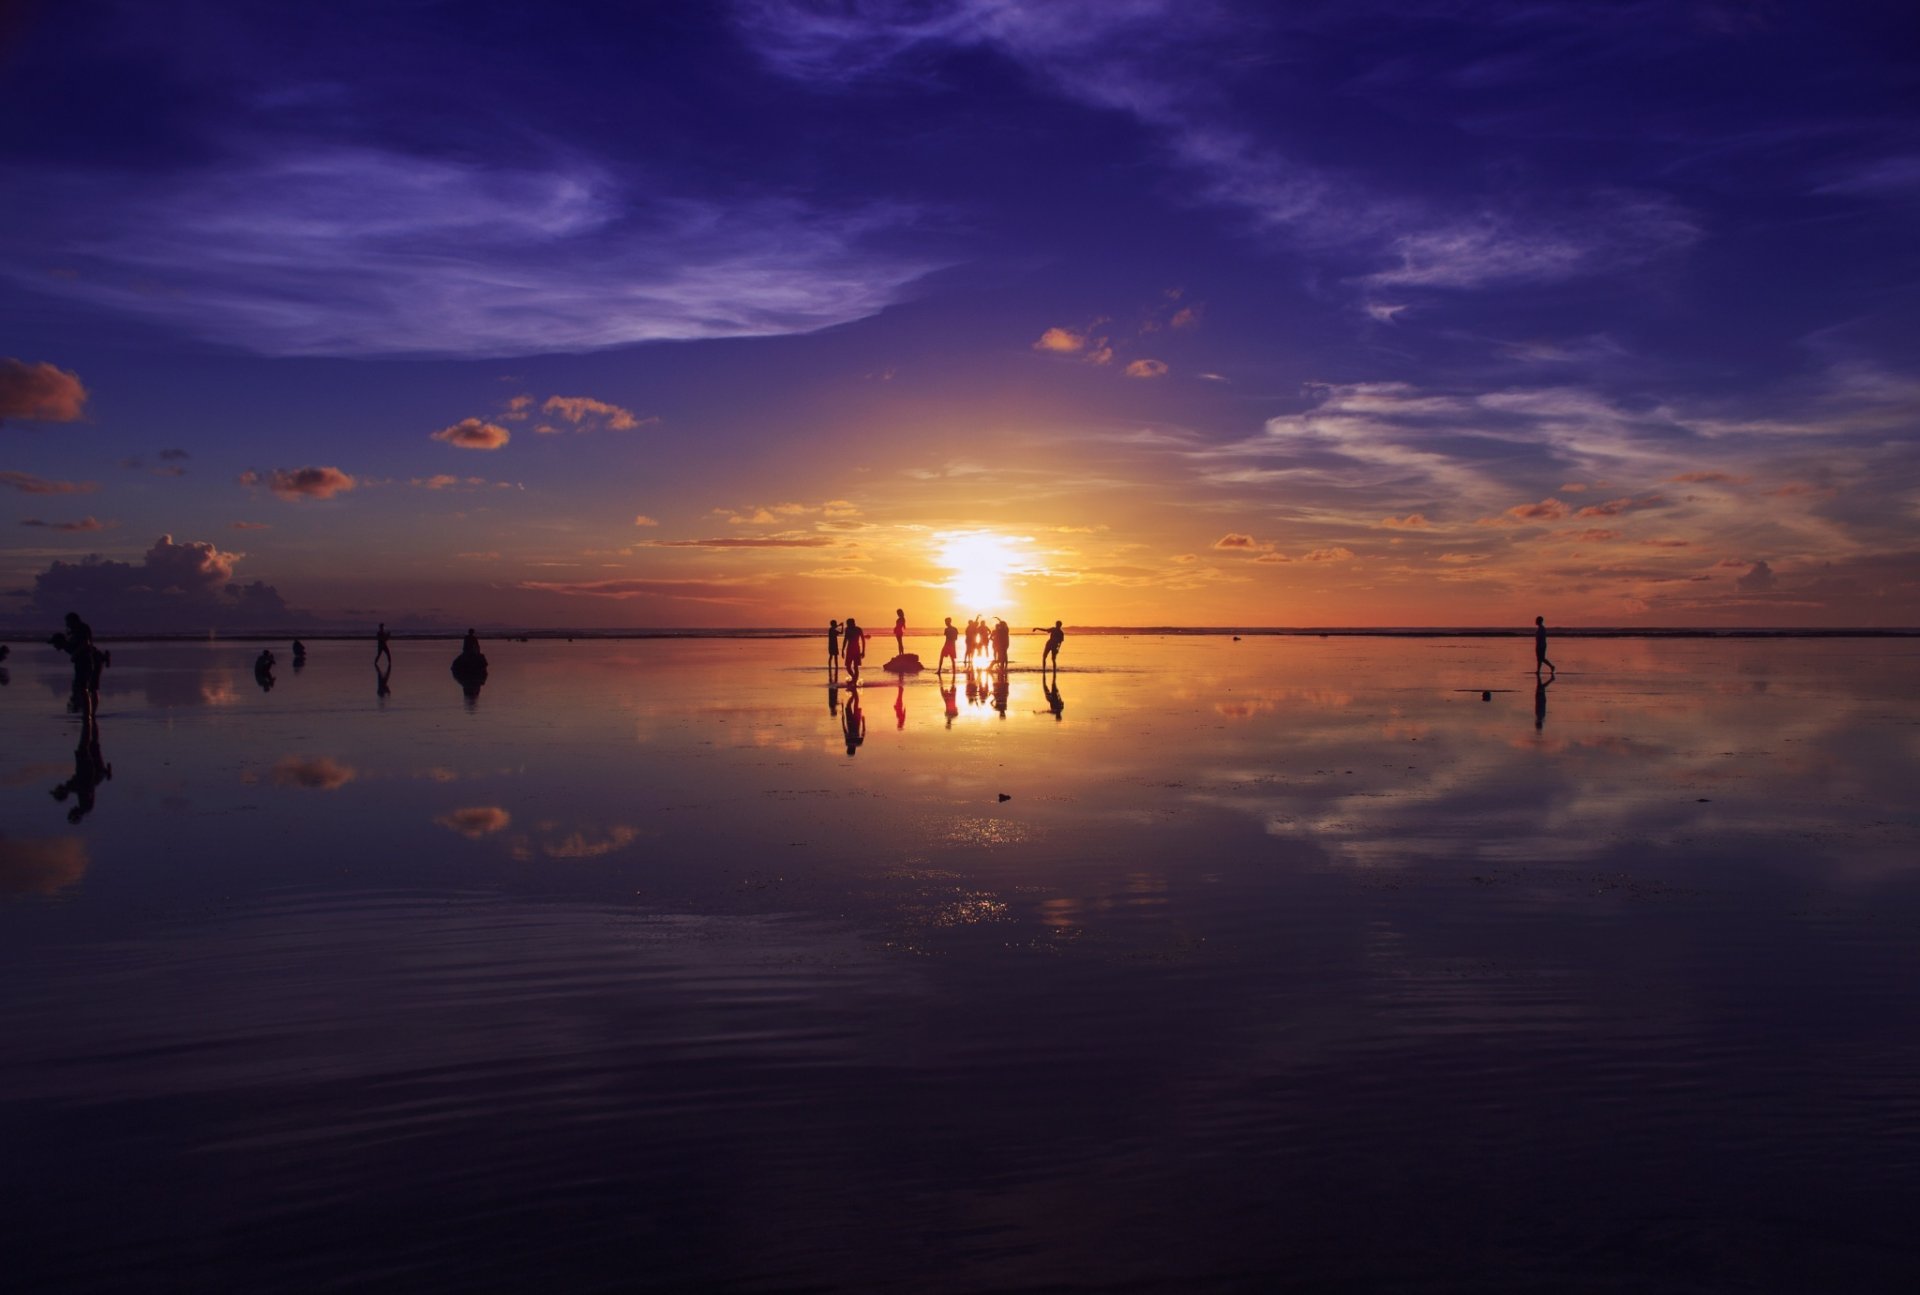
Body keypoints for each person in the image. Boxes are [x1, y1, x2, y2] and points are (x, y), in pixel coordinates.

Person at [843, 616, 867, 685]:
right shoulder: (847, 629)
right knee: (848, 666)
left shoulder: (858, 629)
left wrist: (863, 651)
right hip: (849, 649)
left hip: (856, 649)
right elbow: (845, 639)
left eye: (848, 624)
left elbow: (863, 640)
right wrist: (843, 650)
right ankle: (854, 678)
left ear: (853, 623)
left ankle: (854, 681)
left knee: (856, 666)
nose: (847, 625)